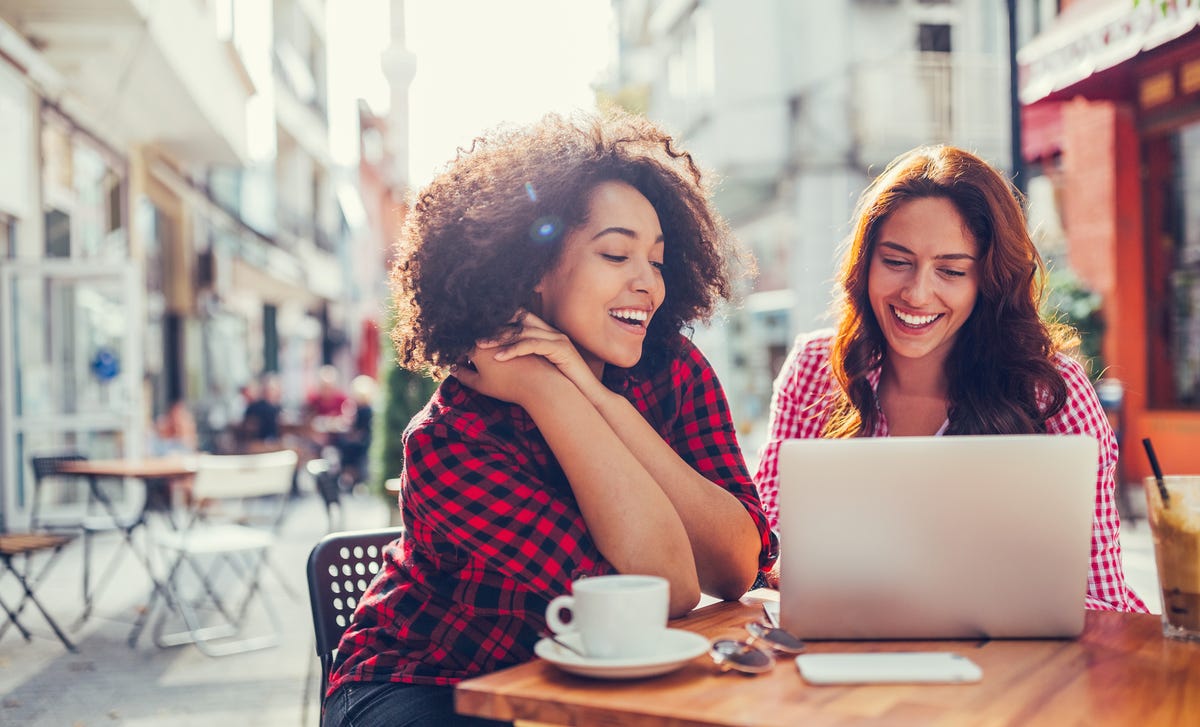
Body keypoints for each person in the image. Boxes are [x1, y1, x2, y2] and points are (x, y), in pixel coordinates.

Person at [324, 110, 778, 726]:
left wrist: (600, 401)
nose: (649, 284)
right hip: (431, 682)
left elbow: (736, 567)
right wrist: (550, 393)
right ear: (532, 270)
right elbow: (665, 590)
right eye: (617, 254)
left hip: (594, 680)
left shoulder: (670, 370)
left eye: (659, 261)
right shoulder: (451, 440)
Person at [754, 144, 1147, 613]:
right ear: (864, 265)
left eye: (952, 270)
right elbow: (767, 551)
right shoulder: (816, 369)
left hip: (1013, 669)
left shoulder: (1048, 390)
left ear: (989, 279)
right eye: (896, 262)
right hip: (855, 657)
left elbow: (1101, 598)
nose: (918, 293)